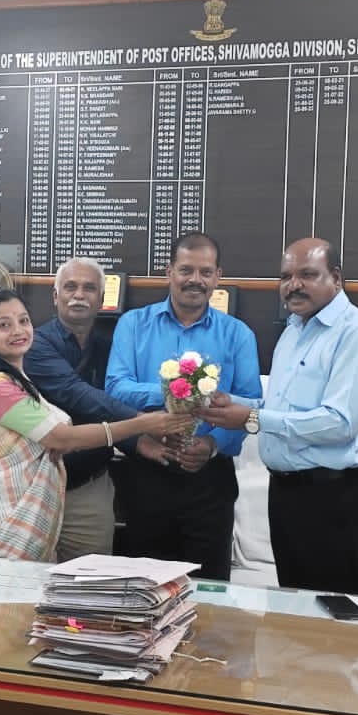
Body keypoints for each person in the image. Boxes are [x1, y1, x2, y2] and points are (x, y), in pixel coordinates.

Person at [0, 289, 191, 560]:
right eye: (4, 325)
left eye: (23, 320)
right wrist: (142, 423)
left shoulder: (17, 380)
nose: (18, 330)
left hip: (18, 513)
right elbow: (61, 438)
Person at [208, 238, 358, 593]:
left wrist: (251, 418)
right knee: (292, 607)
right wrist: (232, 404)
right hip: (286, 494)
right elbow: (284, 409)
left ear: (336, 278)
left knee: (327, 614)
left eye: (307, 274)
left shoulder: (357, 335)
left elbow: (339, 423)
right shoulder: (295, 330)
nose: (293, 285)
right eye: (286, 276)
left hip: (331, 497)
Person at [106, 232, 263, 579]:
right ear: (169, 272)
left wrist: (212, 444)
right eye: (186, 270)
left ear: (218, 277)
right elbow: (116, 388)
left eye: (205, 272)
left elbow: (252, 403)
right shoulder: (133, 324)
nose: (196, 280)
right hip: (147, 470)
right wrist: (177, 392)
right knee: (144, 586)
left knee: (210, 590)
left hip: (211, 480)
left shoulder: (238, 334)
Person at [24, 257, 169, 559]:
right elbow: (78, 395)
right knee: (27, 580)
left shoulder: (110, 348)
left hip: (90, 488)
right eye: (70, 287)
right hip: (36, 486)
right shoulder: (34, 345)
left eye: (89, 288)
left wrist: (138, 443)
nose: (79, 295)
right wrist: (142, 423)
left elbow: (112, 403)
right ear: (56, 296)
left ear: (102, 299)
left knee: (90, 579)